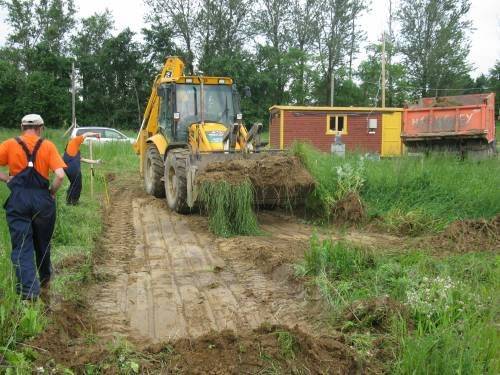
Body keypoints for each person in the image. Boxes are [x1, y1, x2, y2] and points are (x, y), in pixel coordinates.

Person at [0, 114, 66, 300]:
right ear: (40, 128)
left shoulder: (10, 144)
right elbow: (60, 175)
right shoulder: (48, 146)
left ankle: (29, 293)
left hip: (19, 200)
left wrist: (7, 178)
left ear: (22, 127)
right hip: (42, 201)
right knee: (43, 244)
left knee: (22, 247)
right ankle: (45, 280)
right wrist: (52, 192)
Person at [63, 132, 101, 205]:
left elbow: (83, 159)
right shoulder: (74, 141)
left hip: (68, 168)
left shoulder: (73, 148)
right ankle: (74, 201)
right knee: (78, 184)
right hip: (71, 167)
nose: (82, 141)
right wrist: (96, 134)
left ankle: (69, 201)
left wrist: (96, 161)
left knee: (73, 184)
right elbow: (86, 134)